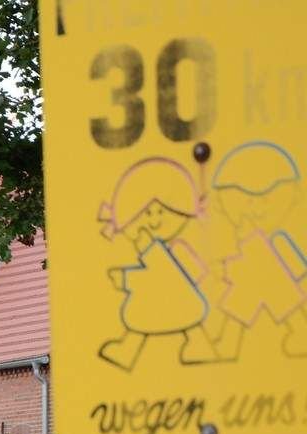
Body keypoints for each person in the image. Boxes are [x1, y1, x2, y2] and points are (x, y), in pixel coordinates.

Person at [97, 157, 216, 371]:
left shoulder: (173, 249)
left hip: (179, 301)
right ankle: (128, 350)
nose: (153, 221)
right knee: (142, 323)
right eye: (147, 213)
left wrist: (126, 278)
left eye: (160, 211)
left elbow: (169, 274)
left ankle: (200, 345)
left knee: (184, 323)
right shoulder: (152, 250)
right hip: (157, 303)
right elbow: (153, 275)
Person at [206, 141, 307, 361]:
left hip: (271, 281)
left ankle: (230, 343)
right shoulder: (250, 237)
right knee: (242, 300)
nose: (257, 209)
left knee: (246, 300)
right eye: (248, 200)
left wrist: (226, 268)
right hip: (262, 282)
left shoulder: (267, 240)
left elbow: (291, 263)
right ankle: (229, 342)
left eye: (265, 198)